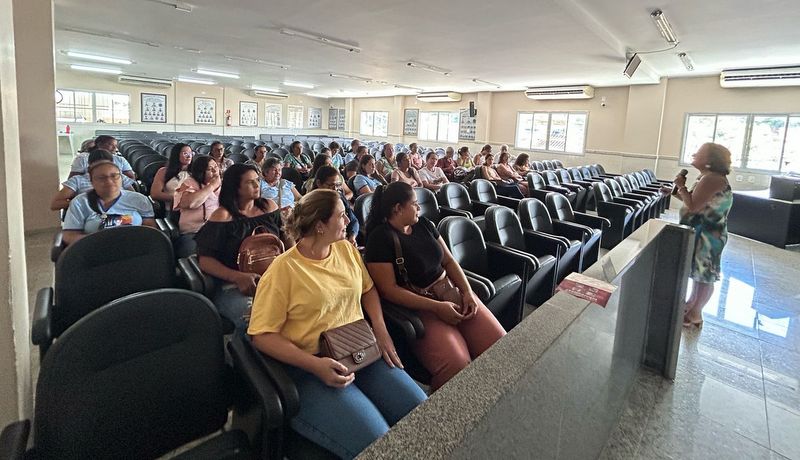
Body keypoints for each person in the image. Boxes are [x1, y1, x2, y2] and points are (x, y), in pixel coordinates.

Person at [248, 189, 426, 459]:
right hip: (313, 368)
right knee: (380, 444)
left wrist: (380, 329)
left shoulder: (345, 250)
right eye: (342, 216)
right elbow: (261, 335)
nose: (348, 220)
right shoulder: (283, 271)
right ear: (320, 225)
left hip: (360, 350)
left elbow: (368, 290)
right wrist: (315, 365)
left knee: (423, 412)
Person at [365, 182, 506, 390]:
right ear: (398, 208)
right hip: (423, 306)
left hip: (451, 293)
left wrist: (467, 292)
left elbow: (449, 262)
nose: (419, 207)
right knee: (457, 365)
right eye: (414, 204)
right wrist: (436, 307)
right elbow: (389, 290)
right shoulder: (380, 238)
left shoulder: (424, 224)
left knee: (500, 344)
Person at [195, 164, 285, 332]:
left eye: (257, 180)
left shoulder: (269, 207)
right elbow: (205, 260)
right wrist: (237, 277)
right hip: (236, 285)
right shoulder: (223, 217)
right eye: (250, 182)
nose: (257, 185)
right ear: (235, 187)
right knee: (255, 321)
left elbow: (287, 239)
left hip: (274, 279)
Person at [671, 142, 734, 328]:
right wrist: (675, 191)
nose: (693, 154)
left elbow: (693, 206)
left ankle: (696, 314)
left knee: (705, 275)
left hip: (708, 235)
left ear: (709, 161)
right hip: (703, 232)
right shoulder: (706, 177)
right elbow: (696, 201)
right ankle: (691, 305)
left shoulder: (712, 179)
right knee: (699, 274)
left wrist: (681, 186)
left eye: (698, 153)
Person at [61, 161, 155, 246]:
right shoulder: (80, 202)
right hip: (94, 250)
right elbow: (69, 235)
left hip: (134, 249)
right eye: (101, 178)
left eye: (114, 176)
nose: (109, 181)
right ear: (92, 181)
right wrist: (102, 242)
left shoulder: (139, 200)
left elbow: (150, 230)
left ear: (121, 178)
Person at [51, 149, 135, 211]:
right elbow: (55, 204)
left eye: (106, 165)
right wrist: (85, 203)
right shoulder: (78, 180)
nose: (103, 169)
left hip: (121, 213)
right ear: (90, 166)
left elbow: (134, 197)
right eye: (98, 166)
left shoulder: (120, 177)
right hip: (89, 214)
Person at [173, 155, 221, 258]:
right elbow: (190, 203)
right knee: (194, 258)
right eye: (209, 169)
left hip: (218, 232)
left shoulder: (223, 185)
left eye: (216, 167)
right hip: (194, 233)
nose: (214, 171)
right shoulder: (188, 183)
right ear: (200, 172)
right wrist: (211, 186)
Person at [314, 165, 359, 246]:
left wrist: (352, 236)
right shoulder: (313, 203)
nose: (335, 189)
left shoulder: (340, 196)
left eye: (337, 185)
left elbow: (353, 220)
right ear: (319, 183)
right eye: (330, 185)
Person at [69, 135, 135, 179]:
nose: (115, 148)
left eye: (115, 145)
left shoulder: (120, 159)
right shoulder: (82, 158)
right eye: (110, 144)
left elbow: (131, 178)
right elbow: (73, 178)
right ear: (99, 144)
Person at [149, 143, 193, 211]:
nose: (189, 156)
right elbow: (155, 194)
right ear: (176, 155)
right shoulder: (163, 171)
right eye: (185, 153)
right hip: (174, 209)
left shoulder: (195, 172)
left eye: (191, 153)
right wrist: (179, 199)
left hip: (193, 207)